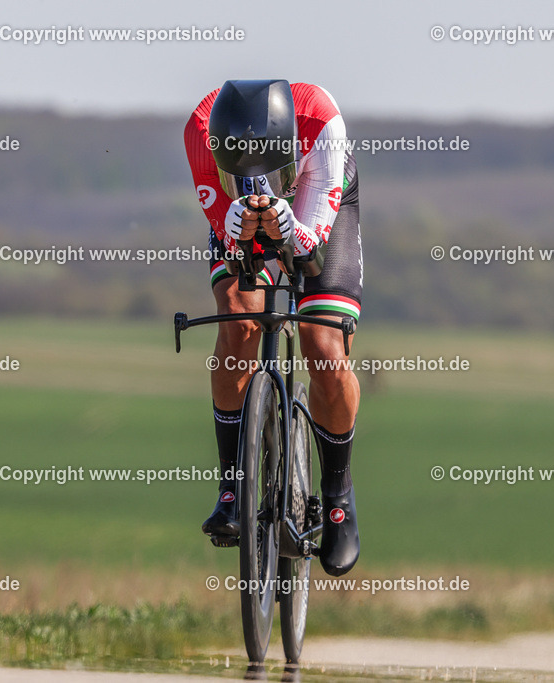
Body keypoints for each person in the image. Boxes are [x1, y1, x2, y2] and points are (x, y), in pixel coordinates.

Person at [183, 80, 364, 576]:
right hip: (240, 209)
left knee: (323, 346)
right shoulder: (200, 131)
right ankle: (232, 487)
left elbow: (310, 248)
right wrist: (235, 230)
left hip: (317, 198)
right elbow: (228, 235)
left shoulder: (321, 123)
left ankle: (337, 497)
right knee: (239, 322)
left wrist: (291, 230)